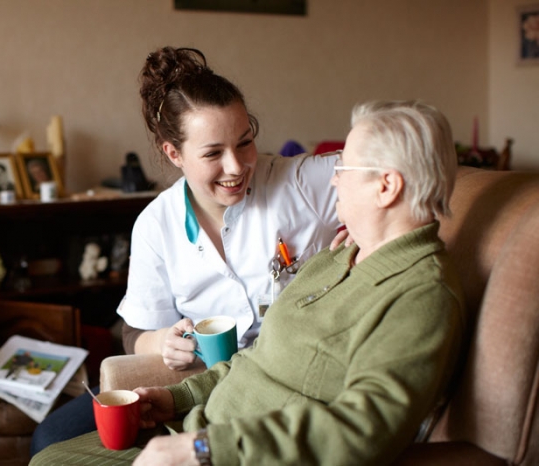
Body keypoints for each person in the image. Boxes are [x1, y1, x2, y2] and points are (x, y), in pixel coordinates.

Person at [30, 100, 467, 466]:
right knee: (48, 456)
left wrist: (200, 448)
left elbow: (366, 430)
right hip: (202, 427)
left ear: (387, 186)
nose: (333, 177)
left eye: (344, 167)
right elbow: (257, 357)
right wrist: (177, 398)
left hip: (228, 452)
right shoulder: (336, 259)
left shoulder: (422, 295)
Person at [29, 46, 343, 455]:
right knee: (49, 439)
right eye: (213, 153)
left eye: (245, 142)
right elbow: (134, 333)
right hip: (203, 381)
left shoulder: (299, 183)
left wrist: (365, 228)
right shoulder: (156, 225)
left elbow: (393, 169)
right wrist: (162, 341)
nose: (236, 167)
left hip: (288, 374)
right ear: (173, 153)